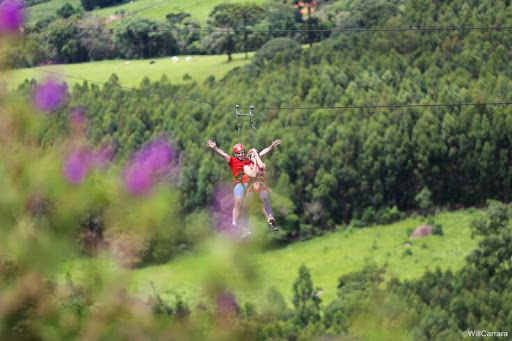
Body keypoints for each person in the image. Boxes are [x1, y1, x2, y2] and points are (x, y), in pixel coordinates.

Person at [206, 139, 281, 233]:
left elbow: (261, 154)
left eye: (242, 153)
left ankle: (271, 222)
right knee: (239, 202)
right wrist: (215, 148)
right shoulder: (232, 160)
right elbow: (223, 155)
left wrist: (271, 146)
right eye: (238, 153)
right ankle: (234, 224)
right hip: (240, 183)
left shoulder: (248, 159)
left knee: (262, 201)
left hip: (250, 183)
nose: (241, 154)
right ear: (235, 154)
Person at [243, 149, 278, 232]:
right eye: (253, 156)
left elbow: (261, 167)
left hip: (261, 188)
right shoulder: (246, 167)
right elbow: (253, 174)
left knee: (265, 198)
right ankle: (245, 228)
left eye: (256, 155)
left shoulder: (262, 165)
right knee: (244, 207)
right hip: (252, 190)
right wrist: (254, 162)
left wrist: (255, 154)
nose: (255, 157)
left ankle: (271, 218)